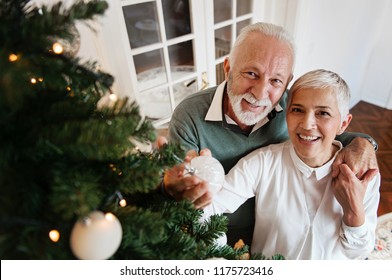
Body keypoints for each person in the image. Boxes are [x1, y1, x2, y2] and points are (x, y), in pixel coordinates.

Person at [162, 22, 378, 247]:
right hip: (216, 227)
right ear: (228, 69)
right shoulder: (189, 115)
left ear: (286, 83)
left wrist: (364, 143)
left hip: (272, 226)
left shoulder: (293, 109)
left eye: (276, 80)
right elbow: (181, 189)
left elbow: (325, 133)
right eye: (251, 73)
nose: (260, 92)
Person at [202, 69, 380, 259]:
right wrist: (221, 258)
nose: (307, 123)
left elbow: (359, 253)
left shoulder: (362, 174)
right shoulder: (263, 163)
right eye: (297, 110)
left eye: (323, 113)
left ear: (343, 124)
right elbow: (207, 206)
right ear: (286, 114)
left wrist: (353, 212)